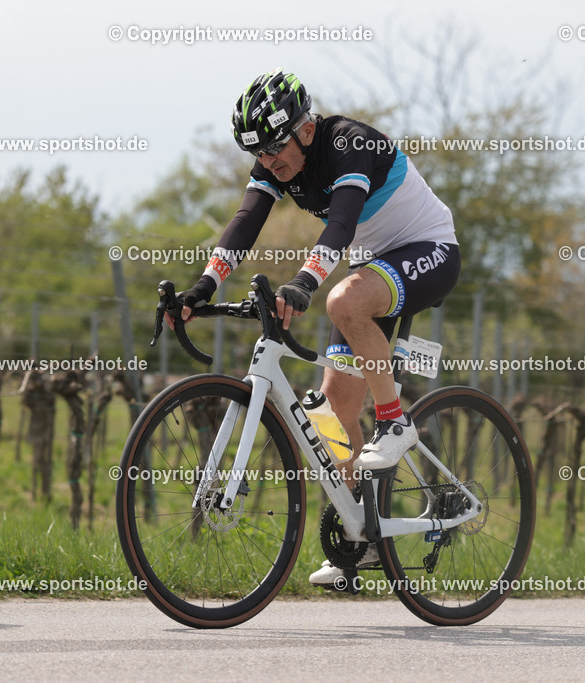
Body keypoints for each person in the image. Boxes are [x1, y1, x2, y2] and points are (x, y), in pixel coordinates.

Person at [173, 68, 460, 587]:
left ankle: (396, 424)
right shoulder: (278, 163)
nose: (267, 161)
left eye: (274, 147)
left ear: (305, 128)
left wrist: (303, 283)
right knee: (332, 416)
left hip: (429, 250)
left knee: (343, 301)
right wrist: (204, 287)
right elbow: (244, 222)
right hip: (376, 266)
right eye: (256, 153)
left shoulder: (349, 143)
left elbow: (342, 224)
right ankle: (364, 539)